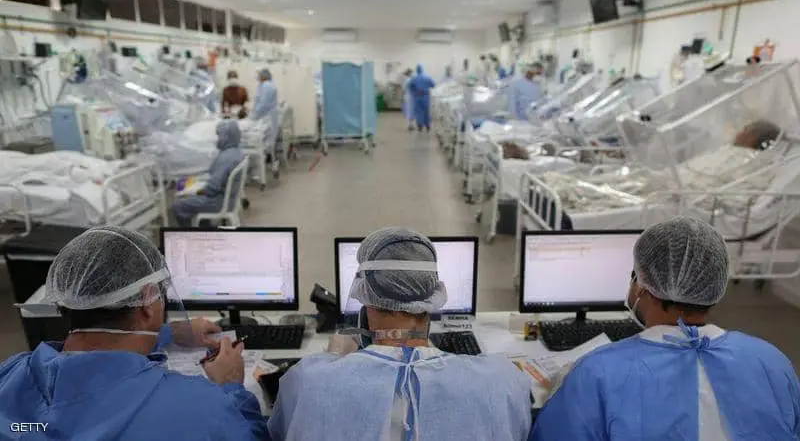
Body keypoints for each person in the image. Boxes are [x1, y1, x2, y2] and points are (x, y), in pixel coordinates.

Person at [532, 217, 800, 440]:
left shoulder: (595, 374)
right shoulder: (772, 363)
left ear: (641, 287)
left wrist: (565, 387)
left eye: (634, 275)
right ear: (714, 286)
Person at [0, 226, 268, 440]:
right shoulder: (201, 408)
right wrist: (232, 387)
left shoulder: (10, 374)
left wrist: (168, 333)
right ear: (148, 300)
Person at [268, 227, 533, 441]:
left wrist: (334, 358)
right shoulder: (502, 381)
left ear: (364, 295)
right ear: (435, 296)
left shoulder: (308, 380)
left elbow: (278, 430)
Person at [172, 120, 246, 227]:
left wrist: (197, 192)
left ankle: (190, 234)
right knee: (190, 194)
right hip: (230, 199)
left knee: (178, 205)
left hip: (219, 202)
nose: (217, 138)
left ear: (226, 136)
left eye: (219, 135)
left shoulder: (225, 158)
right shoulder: (236, 151)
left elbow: (212, 188)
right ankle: (205, 226)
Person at [408, 65, 436, 132]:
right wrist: (426, 88)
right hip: (425, 96)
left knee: (419, 111)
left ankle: (420, 126)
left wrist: (415, 91)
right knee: (426, 111)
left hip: (417, 97)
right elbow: (433, 85)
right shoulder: (427, 77)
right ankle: (427, 126)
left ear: (417, 70)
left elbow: (410, 86)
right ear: (422, 69)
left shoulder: (414, 78)